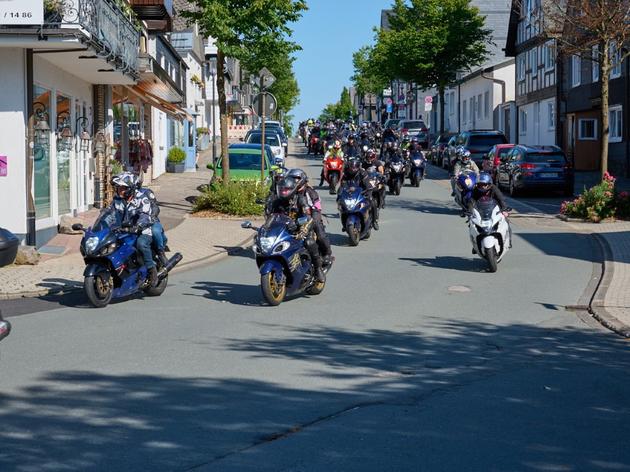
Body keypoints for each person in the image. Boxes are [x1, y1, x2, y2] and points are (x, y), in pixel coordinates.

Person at [270, 169, 331, 282]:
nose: (294, 181)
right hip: (286, 227)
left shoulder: (306, 195)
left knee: (311, 240)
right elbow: (271, 216)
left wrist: (303, 223)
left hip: (305, 225)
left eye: (296, 179)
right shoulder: (280, 199)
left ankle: (318, 269)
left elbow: (311, 213)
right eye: (292, 179)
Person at [110, 172, 160, 287]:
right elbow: (110, 214)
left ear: (130, 189)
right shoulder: (117, 200)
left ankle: (152, 271)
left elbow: (145, 214)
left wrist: (138, 226)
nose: (119, 191)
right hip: (125, 230)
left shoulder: (142, 198)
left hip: (143, 230)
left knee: (141, 244)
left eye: (122, 188)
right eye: (118, 188)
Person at [467, 172, 513, 248]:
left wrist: (504, 209)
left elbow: (501, 199)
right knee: (472, 224)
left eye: (484, 185)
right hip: (481, 211)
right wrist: (469, 212)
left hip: (495, 210)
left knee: (506, 222)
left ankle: (509, 241)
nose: (482, 187)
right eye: (480, 184)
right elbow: (471, 202)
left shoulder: (494, 189)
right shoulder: (475, 190)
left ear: (489, 184)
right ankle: (475, 244)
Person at [341, 158, 380, 230]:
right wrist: (341, 192)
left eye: (355, 167)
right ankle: (344, 223)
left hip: (363, 192)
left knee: (372, 202)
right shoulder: (346, 174)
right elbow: (343, 185)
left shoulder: (362, 173)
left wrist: (368, 191)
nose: (353, 169)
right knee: (342, 205)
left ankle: (374, 221)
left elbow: (367, 184)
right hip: (351, 194)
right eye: (352, 167)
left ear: (358, 167)